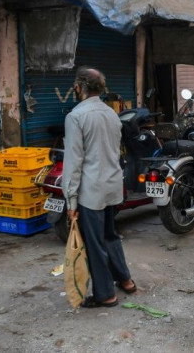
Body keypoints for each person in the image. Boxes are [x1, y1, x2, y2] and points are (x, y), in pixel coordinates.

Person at [63, 67, 136, 308]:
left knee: (94, 242)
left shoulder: (76, 116)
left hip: (91, 190)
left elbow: (74, 162)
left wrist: (70, 200)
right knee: (110, 235)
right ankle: (125, 280)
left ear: (79, 87)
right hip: (112, 185)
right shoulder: (111, 114)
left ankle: (105, 294)